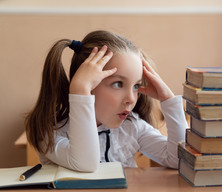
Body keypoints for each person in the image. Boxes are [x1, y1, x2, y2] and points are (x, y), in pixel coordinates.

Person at [25, 30, 188, 172]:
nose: (131, 99)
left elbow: (179, 159)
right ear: (87, 83)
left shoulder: (132, 127)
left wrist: (168, 99)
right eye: (118, 84)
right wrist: (81, 91)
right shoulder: (51, 133)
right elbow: (85, 164)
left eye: (136, 86)